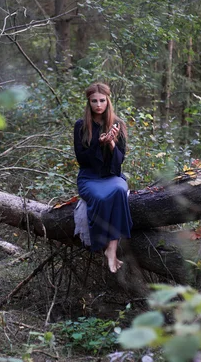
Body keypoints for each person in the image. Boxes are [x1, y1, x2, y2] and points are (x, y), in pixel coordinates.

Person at [73, 82, 133, 273]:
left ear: (108, 101)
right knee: (99, 198)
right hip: (89, 178)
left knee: (119, 190)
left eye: (102, 100)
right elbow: (82, 159)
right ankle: (100, 245)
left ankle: (112, 249)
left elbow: (119, 162)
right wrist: (98, 144)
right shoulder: (81, 126)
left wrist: (112, 144)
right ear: (88, 103)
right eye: (94, 101)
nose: (98, 105)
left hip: (111, 176)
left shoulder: (118, 124)